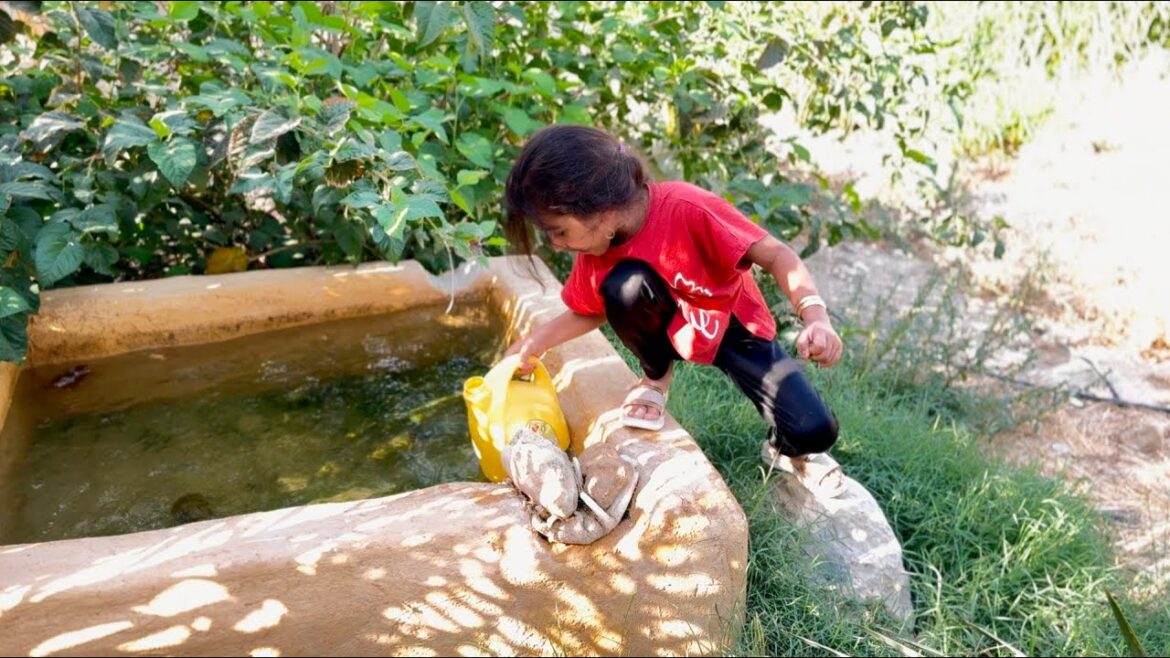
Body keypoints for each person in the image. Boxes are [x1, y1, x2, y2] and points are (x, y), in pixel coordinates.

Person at [502, 125, 846, 498]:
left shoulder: (688, 208)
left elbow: (777, 255)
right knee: (624, 286)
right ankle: (654, 380)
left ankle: (785, 450)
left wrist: (815, 316)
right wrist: (534, 343)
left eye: (559, 231)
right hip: (670, 330)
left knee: (815, 430)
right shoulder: (598, 251)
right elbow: (590, 309)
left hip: (733, 326)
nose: (555, 243)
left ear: (598, 211)